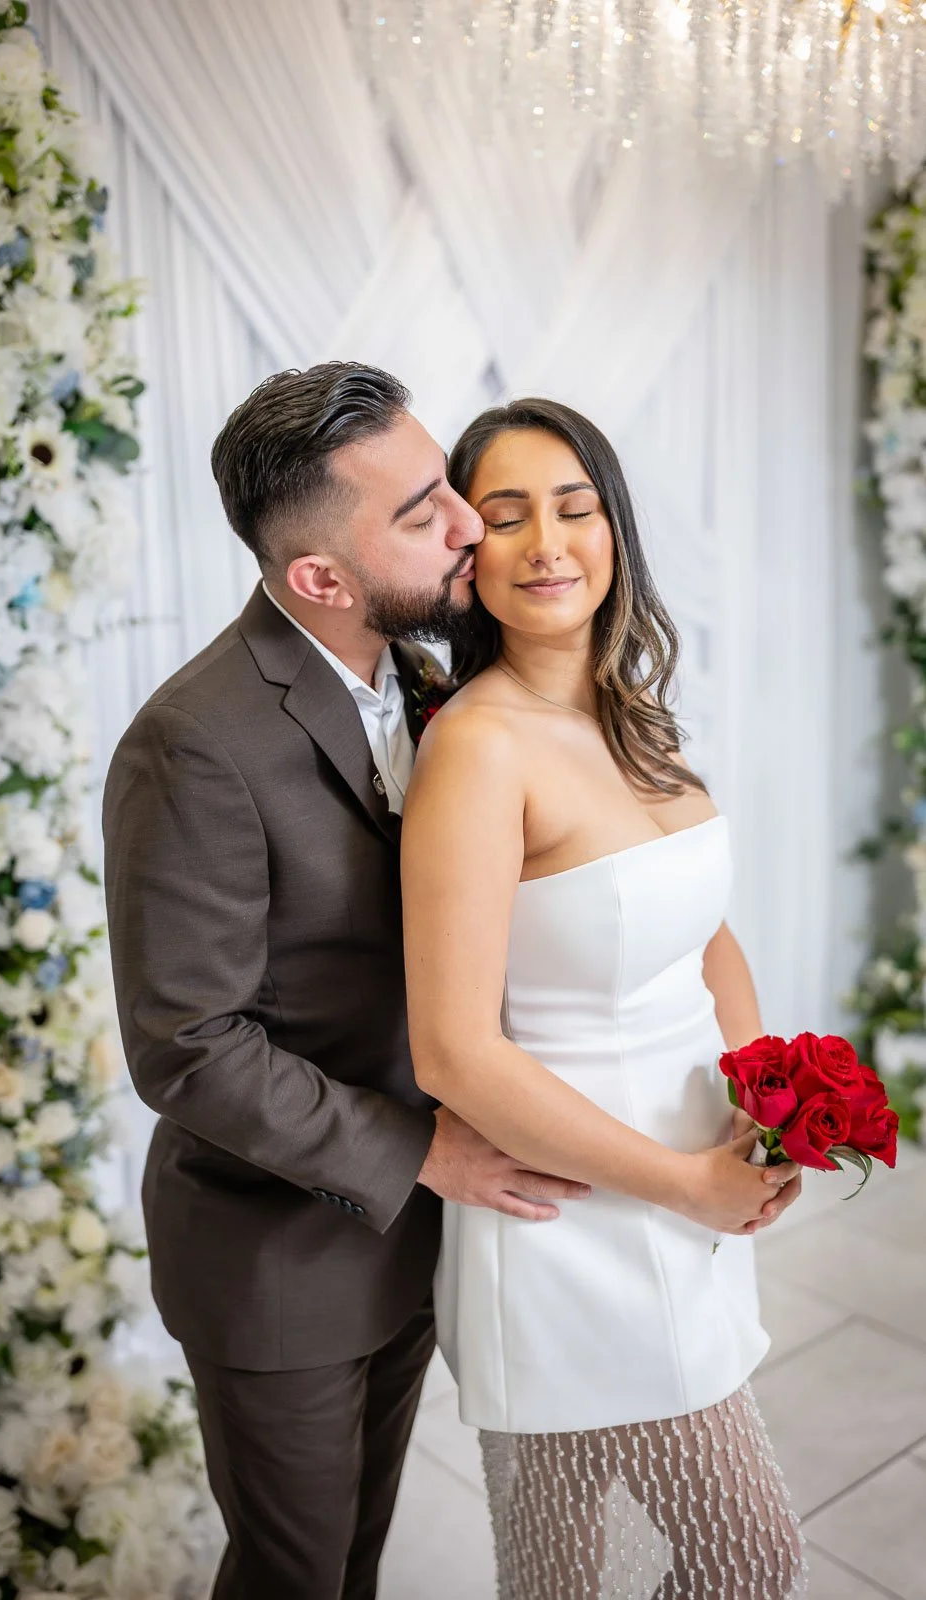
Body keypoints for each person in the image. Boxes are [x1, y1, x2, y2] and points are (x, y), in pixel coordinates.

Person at [101, 363, 604, 1600]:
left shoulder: (425, 682)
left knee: (356, 1559)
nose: (466, 524)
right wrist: (428, 1151)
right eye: (420, 511)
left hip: (413, 1234)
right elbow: (189, 1046)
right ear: (316, 577)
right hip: (277, 1258)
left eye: (445, 485)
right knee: (295, 1574)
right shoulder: (191, 744)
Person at [400, 397, 807, 1598]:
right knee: (744, 1557)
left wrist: (759, 1101)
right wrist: (687, 1181)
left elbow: (704, 932)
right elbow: (454, 1052)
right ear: (466, 560)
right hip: (573, 1219)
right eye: (508, 516)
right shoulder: (478, 748)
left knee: (561, 1564)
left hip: (684, 1190)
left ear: (614, 529)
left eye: (574, 508)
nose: (548, 543)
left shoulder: (628, 711)